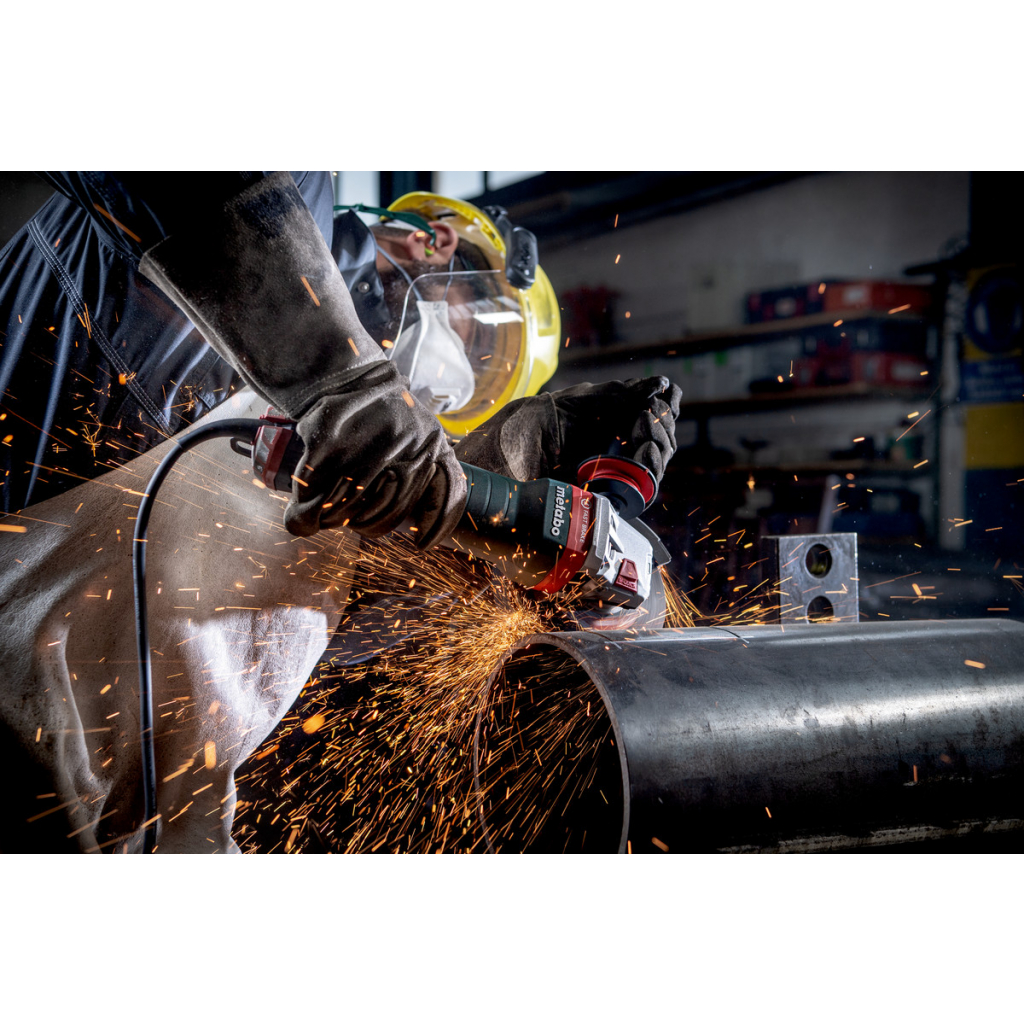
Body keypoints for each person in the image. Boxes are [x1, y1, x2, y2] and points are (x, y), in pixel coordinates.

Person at [0, 173, 680, 541]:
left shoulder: (325, 434)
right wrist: (337, 370)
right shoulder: (296, 188)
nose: (452, 371)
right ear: (435, 243)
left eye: (475, 382)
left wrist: (487, 495)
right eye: (475, 339)